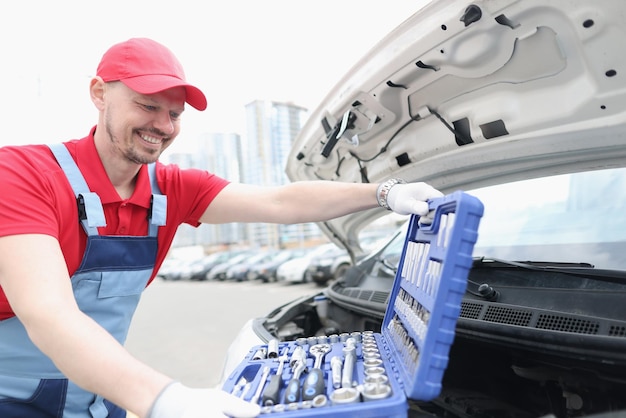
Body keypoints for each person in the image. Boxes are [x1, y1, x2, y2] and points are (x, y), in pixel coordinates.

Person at [0, 38, 442, 418]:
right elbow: (48, 314)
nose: (163, 126)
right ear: (99, 93)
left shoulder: (171, 189)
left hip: (98, 395)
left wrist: (384, 193)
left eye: (174, 114)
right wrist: (164, 399)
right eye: (148, 105)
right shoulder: (23, 174)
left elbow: (279, 201)